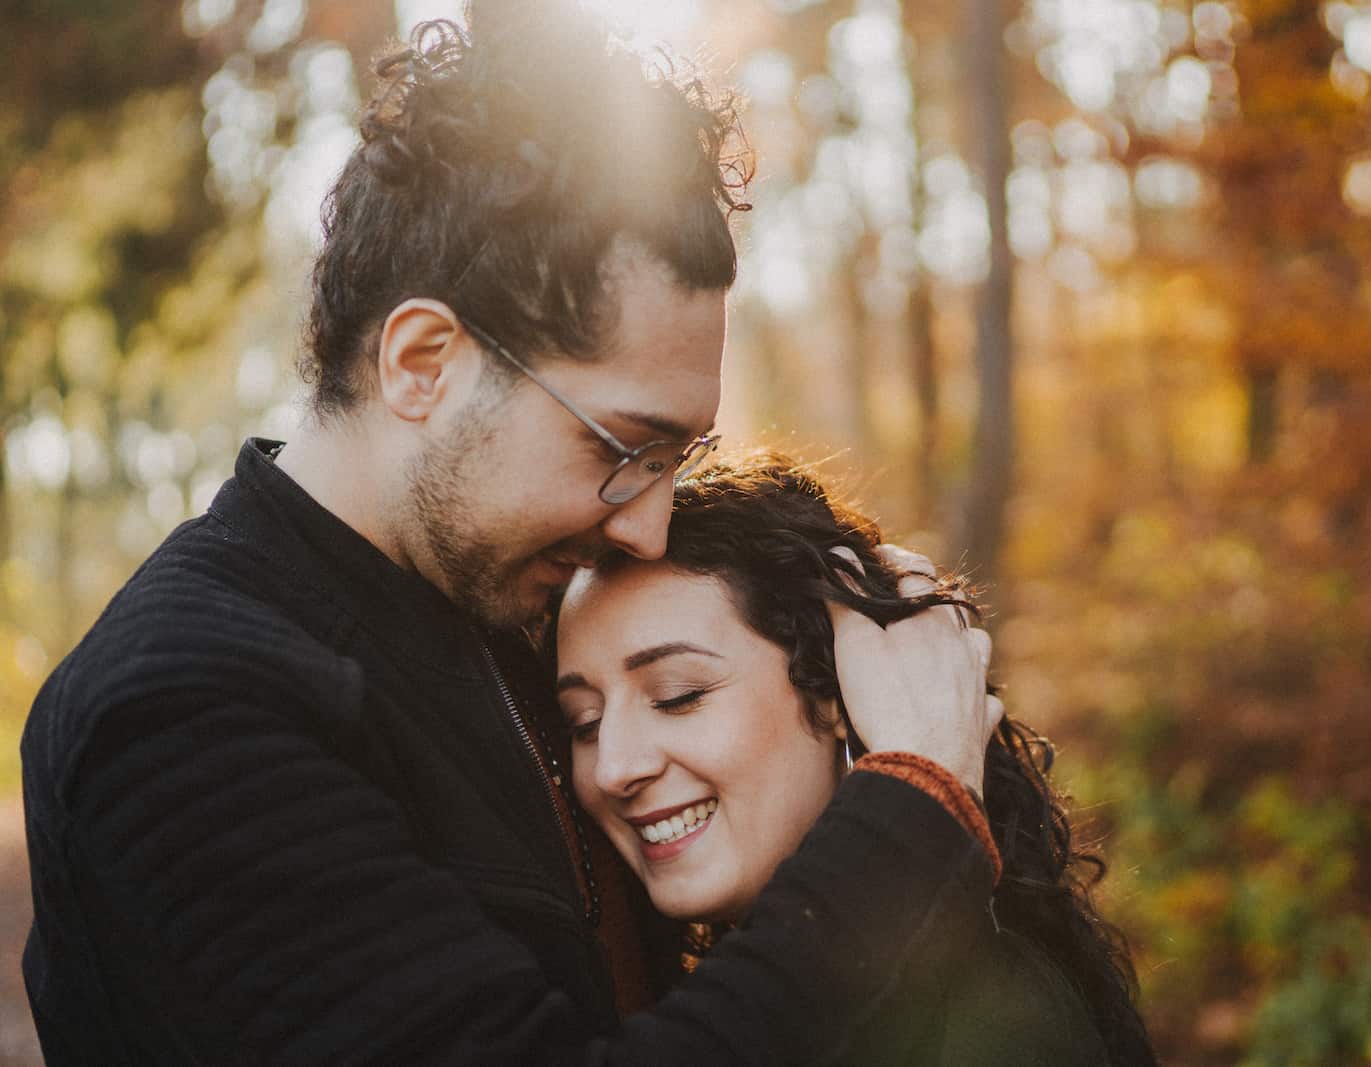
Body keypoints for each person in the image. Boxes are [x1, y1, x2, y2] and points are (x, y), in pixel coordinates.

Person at [19, 4, 1004, 1064]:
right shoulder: (189, 709)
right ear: (423, 363)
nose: (648, 522)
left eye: (675, 459)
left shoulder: (494, 605)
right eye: (622, 445)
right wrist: (910, 807)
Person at [553, 453, 1160, 1066]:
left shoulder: (990, 1025)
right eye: (585, 723)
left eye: (677, 695)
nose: (614, 768)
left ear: (839, 686)